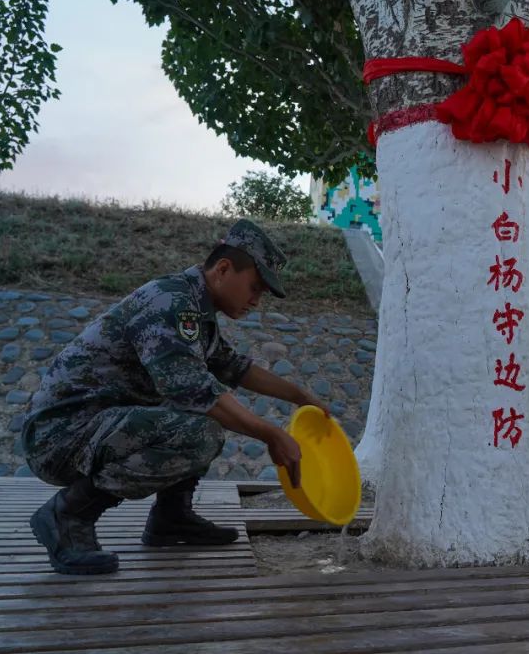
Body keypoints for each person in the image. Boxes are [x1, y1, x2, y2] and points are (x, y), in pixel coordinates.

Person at [21, 219, 326, 575]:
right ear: (223, 269)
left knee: (197, 417)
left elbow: (233, 367)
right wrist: (272, 435)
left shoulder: (195, 307)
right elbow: (195, 391)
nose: (256, 300)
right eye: (254, 287)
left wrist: (301, 396)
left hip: (92, 425)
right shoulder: (170, 302)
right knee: (200, 431)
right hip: (60, 435)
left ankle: (171, 518)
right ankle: (67, 514)